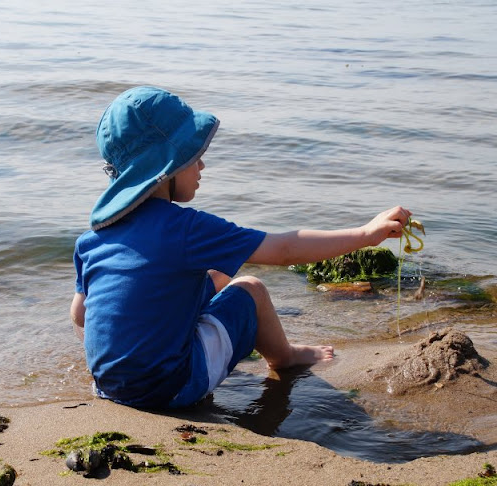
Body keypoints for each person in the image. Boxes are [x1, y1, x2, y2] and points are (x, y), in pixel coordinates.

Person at [71, 86, 412, 409]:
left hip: (108, 386)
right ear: (164, 168)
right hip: (173, 387)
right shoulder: (186, 227)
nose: (201, 165)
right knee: (251, 289)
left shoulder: (92, 239)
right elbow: (284, 249)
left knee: (217, 275)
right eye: (194, 155)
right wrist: (367, 234)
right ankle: (286, 357)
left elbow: (82, 315)